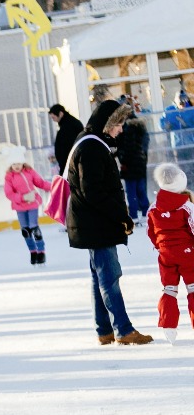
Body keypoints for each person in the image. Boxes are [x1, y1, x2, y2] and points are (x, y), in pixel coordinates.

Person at [66, 100, 153, 346]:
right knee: (109, 277)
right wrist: (121, 216)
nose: (121, 130)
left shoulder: (92, 142)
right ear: (108, 124)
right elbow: (92, 190)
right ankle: (123, 330)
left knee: (100, 277)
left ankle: (104, 330)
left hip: (93, 223)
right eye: (119, 124)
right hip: (97, 224)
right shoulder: (92, 148)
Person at [146, 163, 194, 343]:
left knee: (169, 289)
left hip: (165, 254)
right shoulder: (186, 206)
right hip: (187, 252)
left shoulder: (153, 207)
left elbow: (151, 231)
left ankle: (168, 326)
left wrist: (161, 246)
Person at [2, 146, 52, 265]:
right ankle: (33, 251)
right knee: (25, 230)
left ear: (23, 162)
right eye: (14, 164)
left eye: (19, 163)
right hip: (20, 206)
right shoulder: (9, 177)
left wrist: (54, 186)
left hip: (32, 204)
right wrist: (22, 198)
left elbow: (40, 183)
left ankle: (41, 251)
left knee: (34, 227)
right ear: (10, 165)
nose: (17, 166)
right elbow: (9, 193)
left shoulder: (30, 172)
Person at [118, 113, 151, 223]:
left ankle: (133, 215)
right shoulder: (142, 129)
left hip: (129, 165)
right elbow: (145, 146)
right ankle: (146, 212)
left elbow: (125, 148)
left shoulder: (126, 130)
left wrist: (122, 160)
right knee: (141, 189)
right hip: (140, 164)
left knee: (131, 191)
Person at [49, 104, 84, 174]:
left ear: (61, 114)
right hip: (74, 164)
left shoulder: (67, 127)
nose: (54, 120)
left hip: (70, 166)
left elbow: (66, 148)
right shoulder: (70, 123)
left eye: (54, 117)